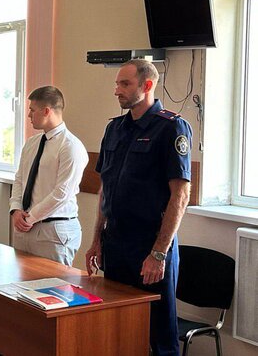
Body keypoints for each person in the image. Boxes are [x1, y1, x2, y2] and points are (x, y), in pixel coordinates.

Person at [85, 59, 191, 356]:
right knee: (117, 329)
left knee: (159, 337)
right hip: (116, 244)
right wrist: (96, 240)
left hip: (150, 246)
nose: (117, 90)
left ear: (147, 85)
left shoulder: (171, 127)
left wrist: (158, 253)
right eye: (117, 84)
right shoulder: (114, 128)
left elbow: (180, 196)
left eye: (125, 84)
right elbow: (105, 189)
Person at [9, 86, 88, 266]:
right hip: (25, 226)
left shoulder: (70, 146)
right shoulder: (32, 143)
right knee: (19, 281)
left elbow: (62, 193)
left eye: (32, 110)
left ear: (46, 111)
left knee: (52, 282)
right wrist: (15, 209)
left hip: (53, 230)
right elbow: (20, 179)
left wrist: (30, 218)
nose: (29, 115)